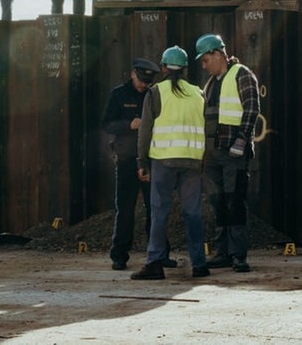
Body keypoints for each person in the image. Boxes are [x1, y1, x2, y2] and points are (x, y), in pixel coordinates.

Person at [131, 45, 209, 281]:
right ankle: (199, 264)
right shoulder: (198, 93)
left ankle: (155, 262)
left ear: (164, 67)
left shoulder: (156, 92)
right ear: (186, 68)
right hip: (192, 162)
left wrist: (141, 161)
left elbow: (145, 130)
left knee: (159, 211)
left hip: (163, 161)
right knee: (193, 213)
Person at [100, 56, 173, 271]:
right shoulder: (118, 95)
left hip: (152, 159)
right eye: (141, 80)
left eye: (148, 82)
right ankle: (119, 255)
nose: (144, 85)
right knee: (125, 209)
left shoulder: (154, 94)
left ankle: (160, 254)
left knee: (156, 208)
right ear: (132, 74)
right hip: (127, 160)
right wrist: (128, 124)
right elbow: (106, 124)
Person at [195, 33, 260, 273]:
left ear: (218, 54)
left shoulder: (241, 74)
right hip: (213, 153)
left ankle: (238, 255)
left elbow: (252, 107)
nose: (204, 66)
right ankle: (222, 252)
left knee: (235, 201)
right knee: (218, 201)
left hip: (233, 153)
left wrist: (242, 140)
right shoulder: (211, 83)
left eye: (205, 60)